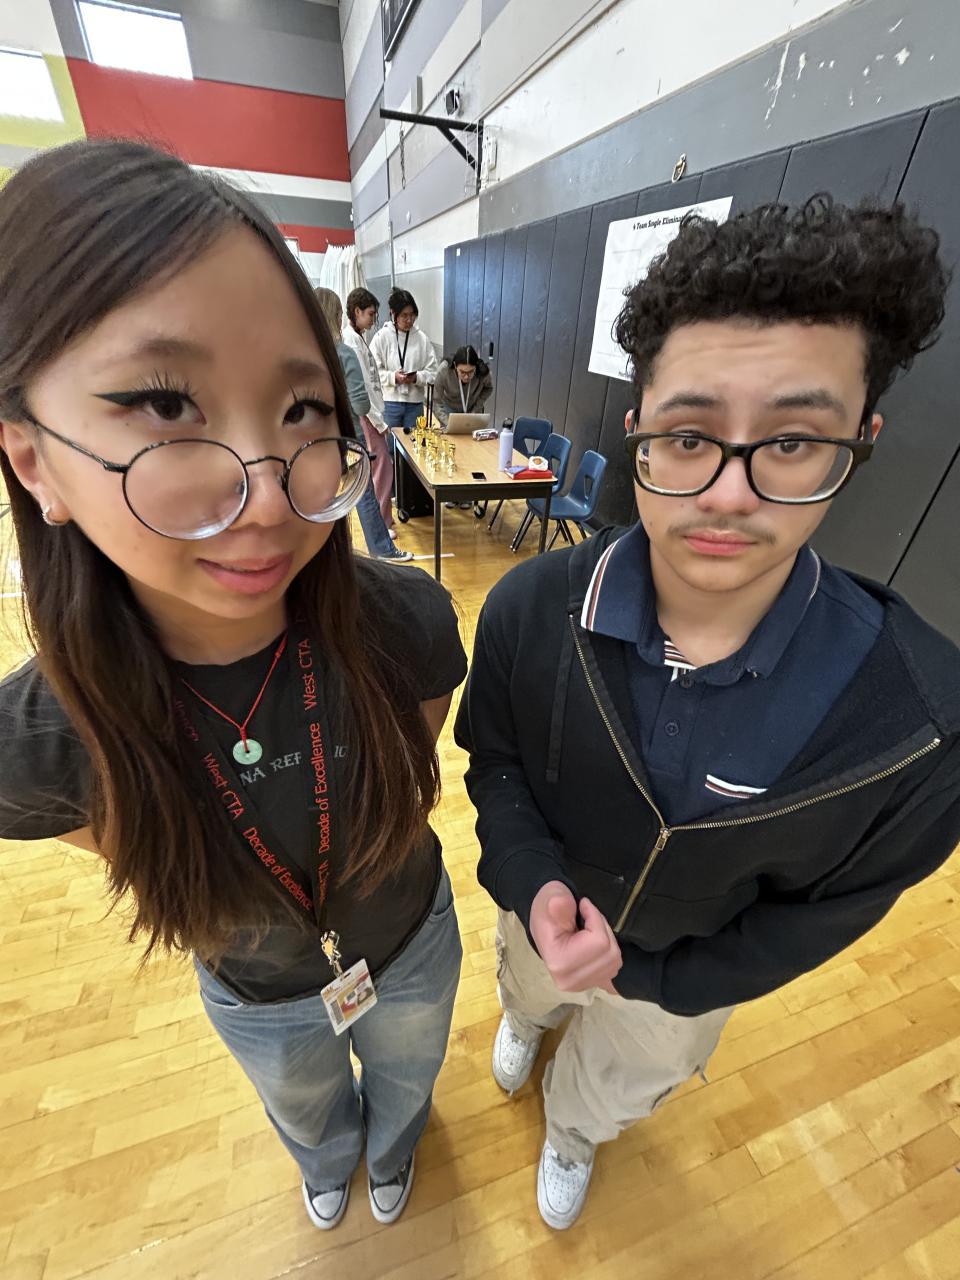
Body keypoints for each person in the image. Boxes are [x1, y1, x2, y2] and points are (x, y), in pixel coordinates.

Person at [455, 197, 960, 1231]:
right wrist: (532, 882)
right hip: (533, 922)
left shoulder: (917, 721)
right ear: (638, 427)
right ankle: (526, 1019)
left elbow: (820, 916)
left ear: (859, 440)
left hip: (679, 989)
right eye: (689, 436)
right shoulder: (530, 609)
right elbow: (495, 764)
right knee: (530, 989)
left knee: (614, 1083)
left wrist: (659, 977)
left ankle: (575, 1127)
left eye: (791, 440)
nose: (729, 494)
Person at [0, 140, 468, 1232]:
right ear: (33, 460)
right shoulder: (41, 733)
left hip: (411, 943)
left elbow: (418, 738)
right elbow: (104, 827)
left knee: (408, 1078)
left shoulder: (401, 620)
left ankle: (395, 1147)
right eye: (166, 403)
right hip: (258, 993)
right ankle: (332, 1159)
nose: (265, 495)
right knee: (306, 1111)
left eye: (302, 409)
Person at [314, 287, 412, 563]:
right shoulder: (344, 353)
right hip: (347, 436)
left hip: (314, 438)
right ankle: (382, 549)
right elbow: (360, 405)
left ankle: (325, 558)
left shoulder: (305, 354)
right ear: (339, 315)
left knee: (321, 497)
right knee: (363, 493)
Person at [342, 287, 396, 536]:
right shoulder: (351, 342)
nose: (374, 319)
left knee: (381, 467)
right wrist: (378, 421)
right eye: (371, 314)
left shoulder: (358, 336)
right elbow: (362, 386)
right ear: (357, 312)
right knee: (381, 467)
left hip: (371, 413)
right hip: (366, 416)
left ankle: (384, 520)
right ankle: (382, 523)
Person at [370, 288, 439, 433]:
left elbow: (433, 372)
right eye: (404, 315)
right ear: (393, 314)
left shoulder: (422, 339)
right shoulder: (381, 337)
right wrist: (392, 377)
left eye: (412, 315)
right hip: (389, 402)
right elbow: (372, 372)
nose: (409, 320)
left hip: (415, 404)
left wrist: (416, 378)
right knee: (390, 442)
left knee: (414, 443)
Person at [433, 345, 494, 426]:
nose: (466, 377)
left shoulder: (482, 372)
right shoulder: (445, 370)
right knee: (451, 433)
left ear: (476, 367)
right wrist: (447, 423)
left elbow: (488, 388)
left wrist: (477, 407)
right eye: (462, 372)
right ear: (455, 366)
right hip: (450, 409)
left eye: (470, 372)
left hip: (472, 409)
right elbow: (436, 401)